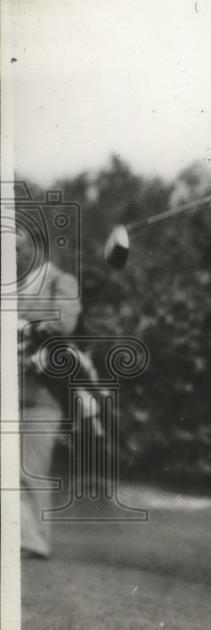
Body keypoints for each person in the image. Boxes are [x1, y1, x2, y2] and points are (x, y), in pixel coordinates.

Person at [16, 227, 82, 558]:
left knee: (31, 465)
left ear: (38, 250)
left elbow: (65, 322)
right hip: (13, 388)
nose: (15, 256)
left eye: (20, 249)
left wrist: (24, 325)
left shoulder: (60, 281)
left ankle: (36, 540)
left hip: (46, 390)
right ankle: (21, 536)